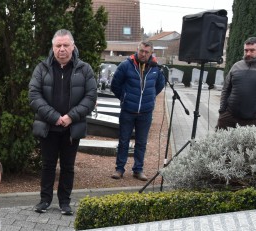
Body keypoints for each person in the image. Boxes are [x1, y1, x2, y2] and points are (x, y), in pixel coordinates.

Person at [29, 29, 97, 216]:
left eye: (66, 45)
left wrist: (70, 117)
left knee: (68, 166)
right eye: (58, 45)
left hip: (71, 128)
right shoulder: (42, 68)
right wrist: (54, 117)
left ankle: (65, 202)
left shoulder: (85, 69)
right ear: (53, 47)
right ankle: (44, 200)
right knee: (48, 165)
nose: (62, 49)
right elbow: (34, 96)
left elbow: (90, 97)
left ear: (73, 46)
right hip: (48, 127)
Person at [110, 41, 165, 182]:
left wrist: (149, 98)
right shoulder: (126, 65)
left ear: (151, 53)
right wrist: (124, 97)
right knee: (124, 141)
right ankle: (119, 168)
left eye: (147, 52)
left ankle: (138, 169)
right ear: (137, 50)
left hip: (145, 112)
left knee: (141, 142)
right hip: (128, 110)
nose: (143, 54)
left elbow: (159, 85)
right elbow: (115, 84)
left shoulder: (156, 68)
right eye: (141, 51)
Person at [216, 37, 256, 131]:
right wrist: (222, 110)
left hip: (253, 119)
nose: (248, 53)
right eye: (246, 50)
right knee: (219, 142)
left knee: (246, 145)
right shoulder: (237, 66)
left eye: (252, 50)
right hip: (229, 116)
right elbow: (226, 88)